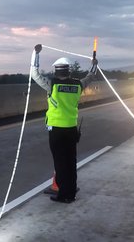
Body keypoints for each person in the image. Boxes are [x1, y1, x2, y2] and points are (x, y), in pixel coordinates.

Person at [30, 44, 97, 203]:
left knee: (60, 163)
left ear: (56, 71)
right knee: (71, 162)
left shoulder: (52, 85)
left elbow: (35, 74)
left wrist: (36, 54)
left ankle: (63, 194)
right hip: (72, 129)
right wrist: (94, 65)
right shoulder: (78, 85)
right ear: (68, 70)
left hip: (56, 130)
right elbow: (91, 76)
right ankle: (71, 193)